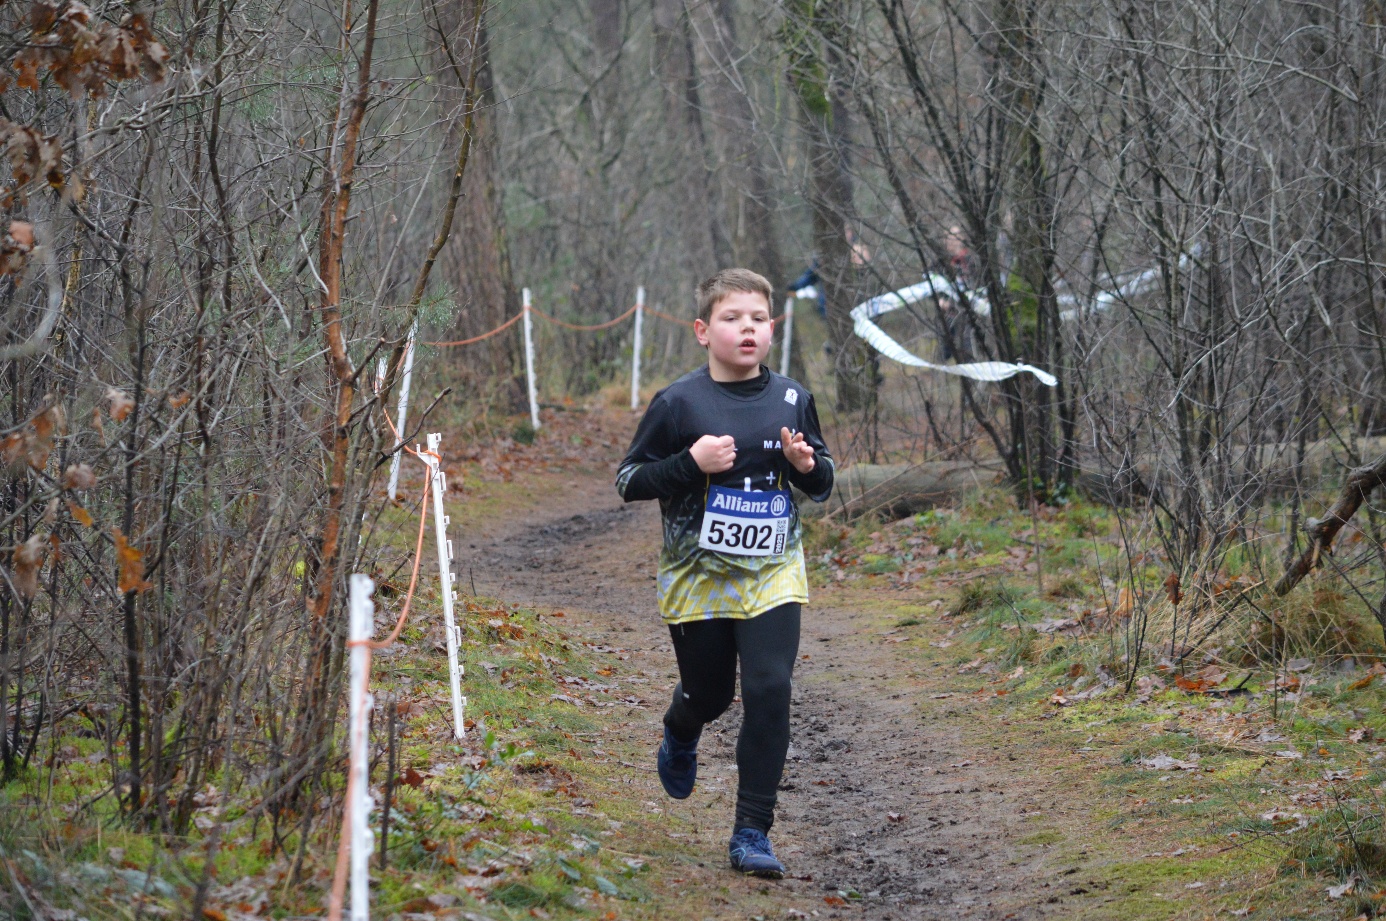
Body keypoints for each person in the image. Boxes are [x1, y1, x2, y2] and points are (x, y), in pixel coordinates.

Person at [615, 268, 835, 879]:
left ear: (772, 329)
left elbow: (823, 481)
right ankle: (680, 728)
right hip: (698, 574)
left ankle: (751, 833)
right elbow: (629, 480)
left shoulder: (791, 397)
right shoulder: (679, 403)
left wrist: (804, 465)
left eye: (758, 319)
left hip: (773, 570)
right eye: (733, 318)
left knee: (769, 689)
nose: (748, 329)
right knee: (710, 695)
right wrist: (690, 462)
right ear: (702, 330)